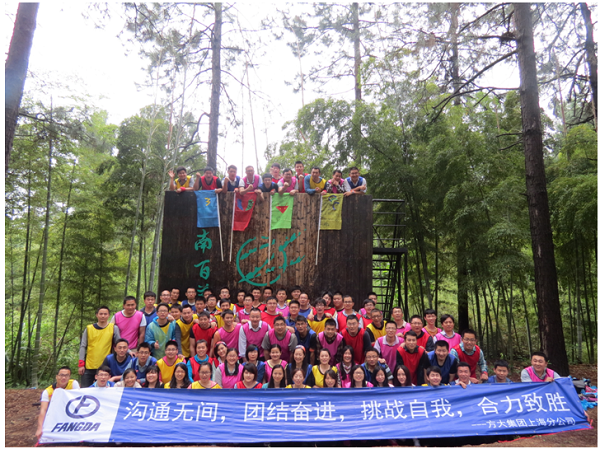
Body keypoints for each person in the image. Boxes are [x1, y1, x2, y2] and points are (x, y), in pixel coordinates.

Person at [78, 306, 120, 388]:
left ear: (109, 315)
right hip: (89, 365)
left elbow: (119, 344)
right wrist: (81, 364)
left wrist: (129, 351)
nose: (103, 316)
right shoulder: (89, 328)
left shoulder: (113, 328)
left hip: (105, 365)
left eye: (105, 314)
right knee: (85, 389)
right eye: (101, 314)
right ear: (97, 315)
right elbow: (83, 346)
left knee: (105, 390)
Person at [36, 366, 80, 440]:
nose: (64, 378)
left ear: (69, 377)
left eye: (66, 375)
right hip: (55, 414)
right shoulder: (48, 392)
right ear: (56, 377)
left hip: (71, 412)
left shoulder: (73, 384)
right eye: (61, 375)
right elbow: (43, 410)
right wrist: (39, 428)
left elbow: (79, 400)